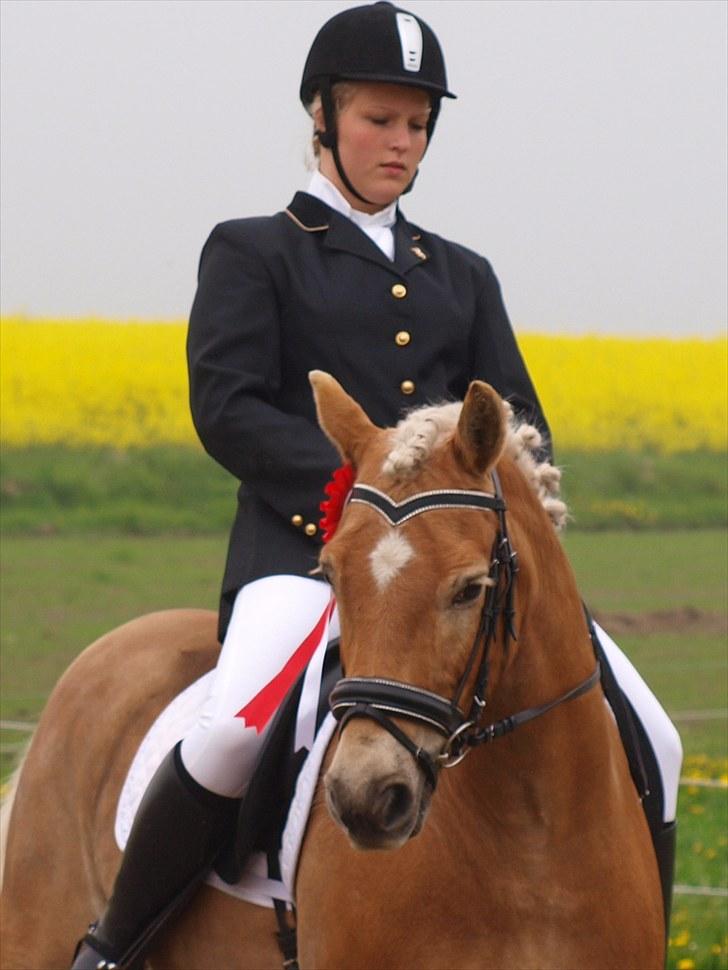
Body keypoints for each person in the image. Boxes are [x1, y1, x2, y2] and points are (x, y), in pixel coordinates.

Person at [72, 3, 681, 967]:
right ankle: (113, 945)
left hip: (456, 576)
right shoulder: (253, 249)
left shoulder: (464, 274)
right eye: (378, 119)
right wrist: (360, 495)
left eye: (417, 123)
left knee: (652, 727)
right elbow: (226, 408)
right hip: (306, 558)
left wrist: (486, 498)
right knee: (232, 731)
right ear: (322, 117)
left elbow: (519, 423)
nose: (401, 142)